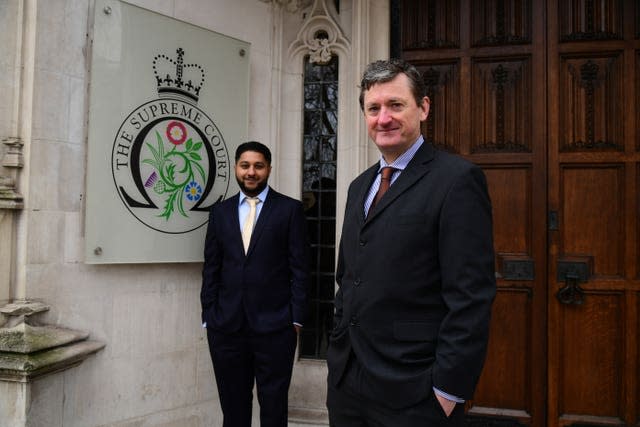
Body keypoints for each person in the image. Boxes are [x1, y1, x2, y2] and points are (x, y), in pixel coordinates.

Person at [326, 59, 496, 426]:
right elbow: (348, 276)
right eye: (373, 108)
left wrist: (448, 391)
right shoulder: (359, 187)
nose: (383, 118)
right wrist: (336, 351)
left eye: (395, 105)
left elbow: (471, 296)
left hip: (415, 390)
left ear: (423, 108)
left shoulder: (457, 180)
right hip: (347, 384)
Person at [201, 141, 310, 427]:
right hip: (226, 328)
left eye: (258, 166)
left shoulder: (290, 210)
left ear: (268, 169)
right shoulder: (219, 213)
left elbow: (300, 269)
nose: (251, 172)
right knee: (233, 409)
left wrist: (296, 319)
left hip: (276, 329)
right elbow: (211, 268)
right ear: (236, 168)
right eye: (245, 165)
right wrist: (208, 316)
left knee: (274, 409)